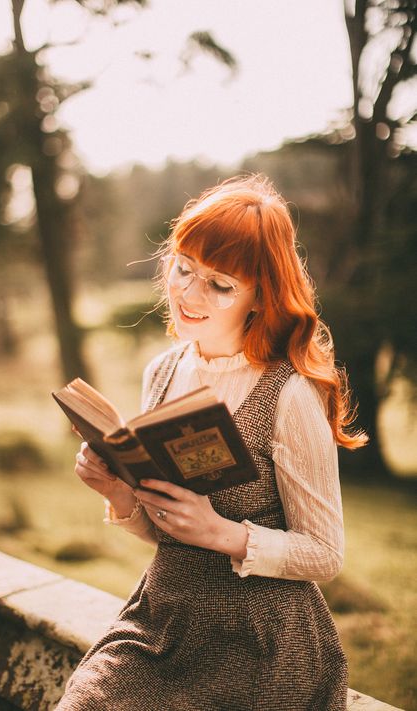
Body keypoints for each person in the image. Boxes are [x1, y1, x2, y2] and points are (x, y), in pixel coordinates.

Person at [55, 174, 367, 711]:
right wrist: (118, 494)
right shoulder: (163, 371)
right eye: (184, 269)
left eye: (220, 285)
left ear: (260, 296)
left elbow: (325, 553)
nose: (189, 294)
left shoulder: (289, 394)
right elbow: (168, 536)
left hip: (263, 642)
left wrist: (221, 533)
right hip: (161, 623)